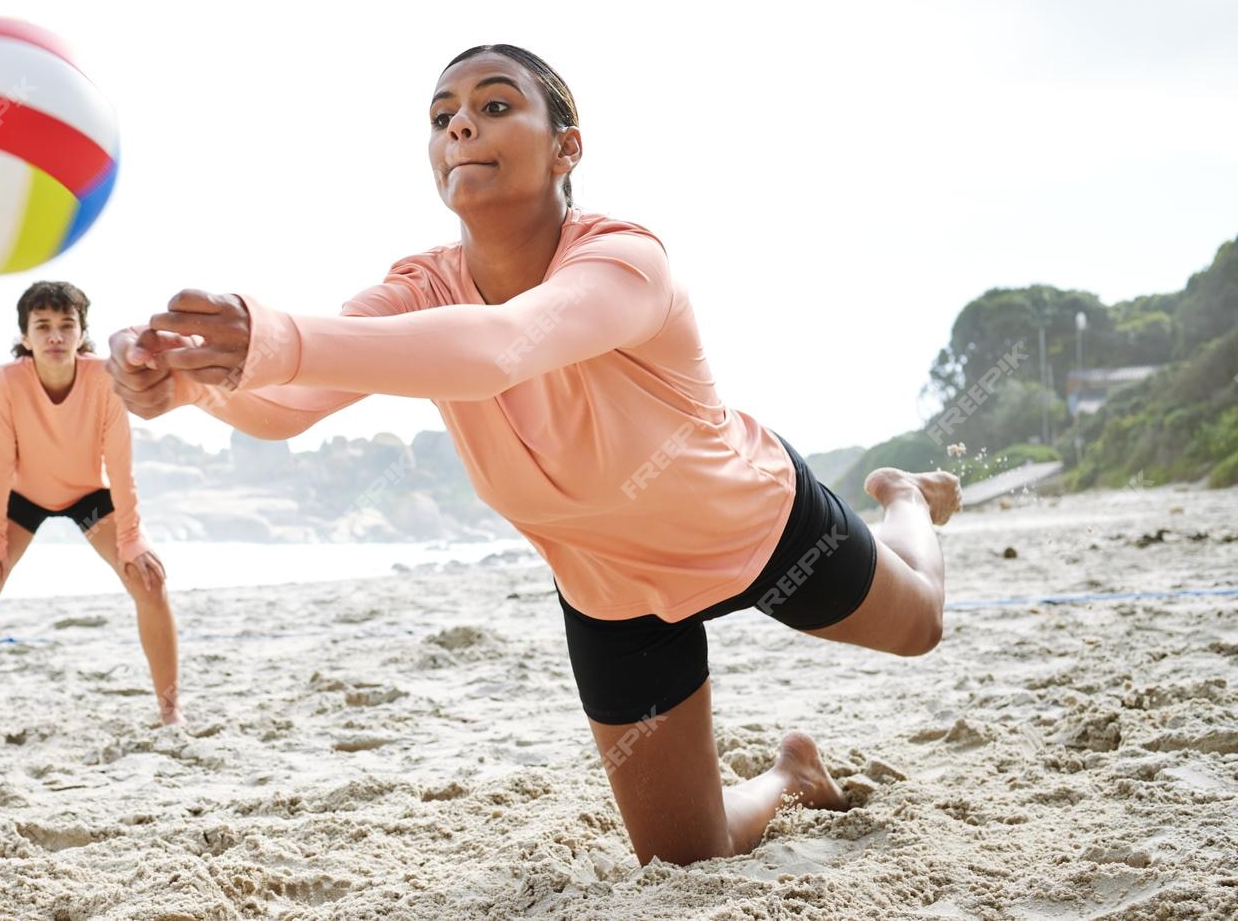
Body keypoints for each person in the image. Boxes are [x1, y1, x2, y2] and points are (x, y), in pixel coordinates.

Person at [103, 44, 960, 866]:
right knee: (687, 854)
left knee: (919, 623)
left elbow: (502, 346)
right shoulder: (422, 289)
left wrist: (274, 337)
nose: (459, 129)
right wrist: (192, 385)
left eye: (494, 105)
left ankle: (906, 497)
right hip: (610, 591)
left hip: (755, 529)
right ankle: (790, 775)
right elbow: (289, 402)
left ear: (566, 148)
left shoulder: (625, 259)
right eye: (442, 117)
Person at [0, 280, 184, 743]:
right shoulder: (8, 381)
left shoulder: (104, 377)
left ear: (81, 333)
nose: (55, 335)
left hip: (87, 496)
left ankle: (171, 713)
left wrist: (132, 536)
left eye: (66, 325)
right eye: (43, 326)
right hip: (21, 498)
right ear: (25, 338)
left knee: (150, 581)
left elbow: (120, 462)